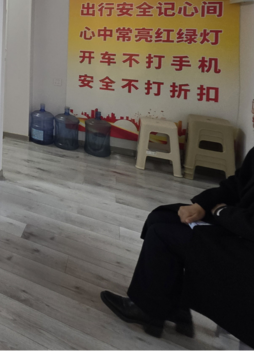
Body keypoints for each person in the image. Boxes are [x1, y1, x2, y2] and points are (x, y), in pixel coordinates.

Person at [100, 148, 254, 346]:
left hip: (245, 250)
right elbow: (236, 184)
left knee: (163, 235)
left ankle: (149, 310)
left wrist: (222, 212)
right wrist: (202, 204)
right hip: (235, 223)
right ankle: (175, 310)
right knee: (160, 217)